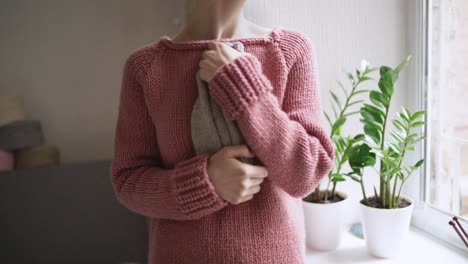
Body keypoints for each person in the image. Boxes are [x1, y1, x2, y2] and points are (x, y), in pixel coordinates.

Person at [110, 0, 335, 263]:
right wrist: (205, 183)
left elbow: (306, 175)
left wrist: (245, 87)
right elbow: (129, 181)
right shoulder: (145, 68)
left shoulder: (289, 51)